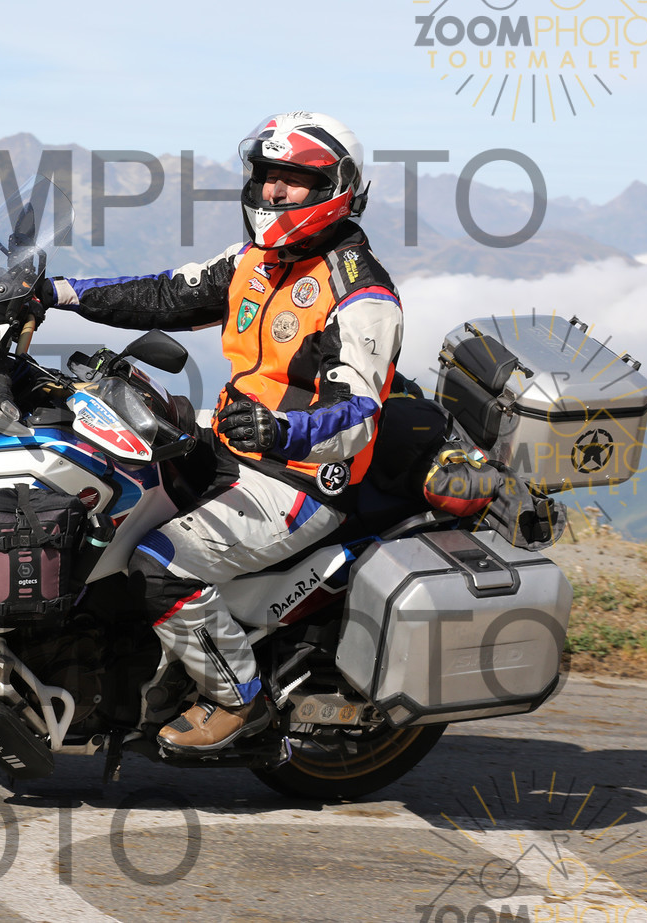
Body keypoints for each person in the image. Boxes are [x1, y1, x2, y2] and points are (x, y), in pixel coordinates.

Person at [36, 111, 404, 752]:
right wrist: (56, 292)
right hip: (234, 445)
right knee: (96, 495)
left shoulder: (361, 294)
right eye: (266, 175)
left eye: (292, 179)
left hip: (298, 479)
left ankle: (238, 701)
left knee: (162, 565)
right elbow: (163, 295)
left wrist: (280, 430)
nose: (273, 191)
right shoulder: (254, 261)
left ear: (335, 187)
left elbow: (359, 412)